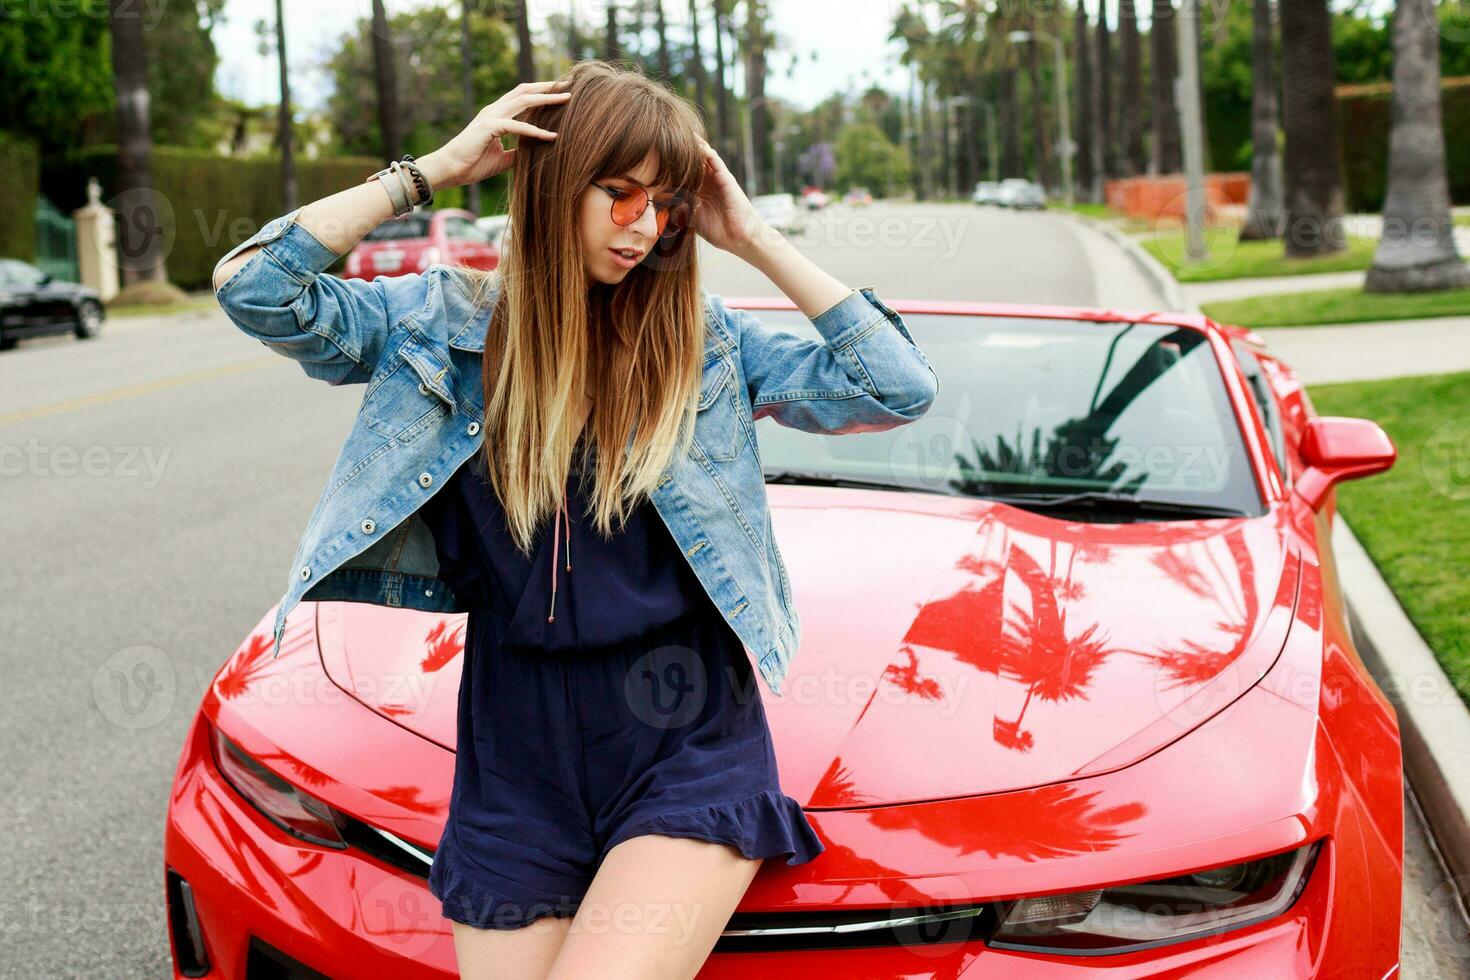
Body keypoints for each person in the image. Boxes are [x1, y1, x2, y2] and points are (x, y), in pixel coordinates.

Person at [212, 61, 937, 979]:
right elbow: (255, 289)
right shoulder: (442, 321)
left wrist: (751, 234)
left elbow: (896, 386)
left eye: (666, 204)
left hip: (683, 732)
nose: (645, 225)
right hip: (514, 746)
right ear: (558, 182)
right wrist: (428, 171)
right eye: (620, 192)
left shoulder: (704, 346)